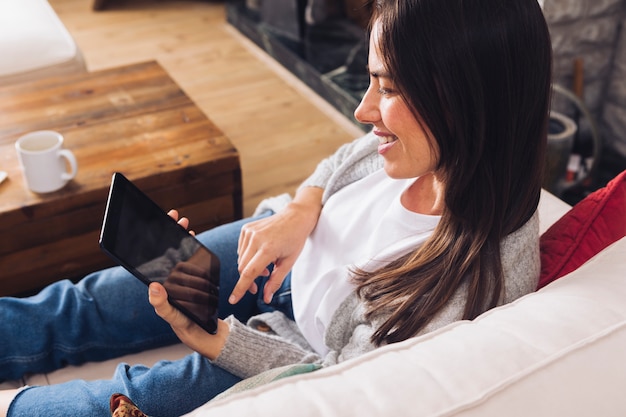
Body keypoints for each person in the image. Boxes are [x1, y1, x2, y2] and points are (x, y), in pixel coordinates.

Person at [0, 0, 552, 415]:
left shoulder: (462, 285)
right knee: (87, 301)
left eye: (386, 88)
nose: (363, 110)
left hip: (294, 345)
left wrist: (218, 342)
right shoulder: (419, 149)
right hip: (281, 251)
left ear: (464, 101)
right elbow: (343, 159)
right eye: (370, 80)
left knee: (121, 399)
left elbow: (340, 377)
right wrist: (298, 212)